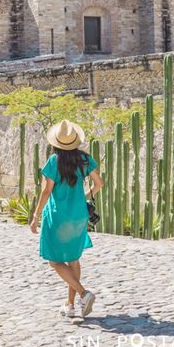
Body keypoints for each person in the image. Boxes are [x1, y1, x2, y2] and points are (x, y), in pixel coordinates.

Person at [30, 119, 103, 318]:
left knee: (54, 261)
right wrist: (83, 197)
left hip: (58, 216)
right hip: (79, 215)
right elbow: (99, 183)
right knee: (73, 259)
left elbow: (46, 191)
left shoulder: (54, 161)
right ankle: (70, 305)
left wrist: (36, 215)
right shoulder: (85, 159)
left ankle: (83, 293)